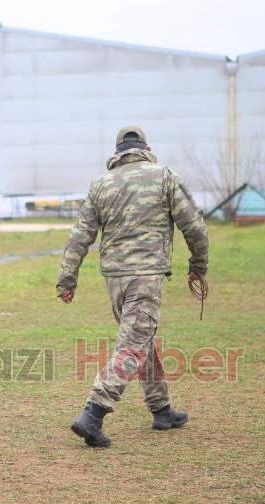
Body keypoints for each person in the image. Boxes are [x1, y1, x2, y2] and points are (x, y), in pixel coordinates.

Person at [57, 126, 209, 448]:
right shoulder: (164, 176)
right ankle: (93, 413)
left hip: (114, 279)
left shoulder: (100, 184)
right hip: (146, 275)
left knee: (142, 340)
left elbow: (80, 235)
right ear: (146, 148)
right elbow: (194, 225)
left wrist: (68, 279)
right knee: (133, 346)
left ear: (117, 153)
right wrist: (198, 265)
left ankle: (162, 409)